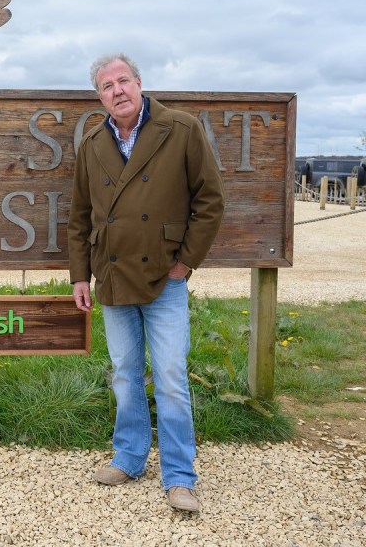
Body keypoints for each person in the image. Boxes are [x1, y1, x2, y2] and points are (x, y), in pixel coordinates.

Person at [68, 53, 225, 513]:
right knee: (123, 372)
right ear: (99, 97)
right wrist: (80, 274)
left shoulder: (180, 129)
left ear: (139, 83)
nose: (117, 90)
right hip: (112, 276)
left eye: (123, 81)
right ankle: (130, 456)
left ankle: (180, 476)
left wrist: (185, 263)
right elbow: (79, 218)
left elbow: (210, 201)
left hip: (164, 278)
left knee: (172, 377)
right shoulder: (93, 143)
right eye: (106, 86)